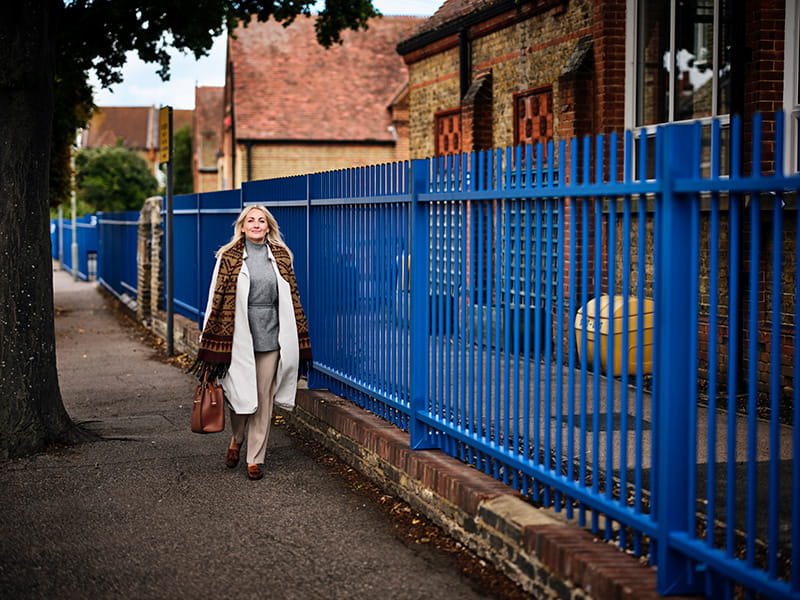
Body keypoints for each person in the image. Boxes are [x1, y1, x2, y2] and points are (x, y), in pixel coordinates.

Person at [192, 205, 311, 480]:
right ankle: (237, 437)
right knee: (241, 397)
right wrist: (207, 338)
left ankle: (254, 458)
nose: (256, 225)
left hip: (272, 337)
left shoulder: (282, 256)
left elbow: (292, 298)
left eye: (261, 221)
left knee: (263, 398)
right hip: (237, 337)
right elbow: (214, 299)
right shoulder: (228, 256)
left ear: (268, 227)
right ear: (242, 226)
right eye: (251, 221)